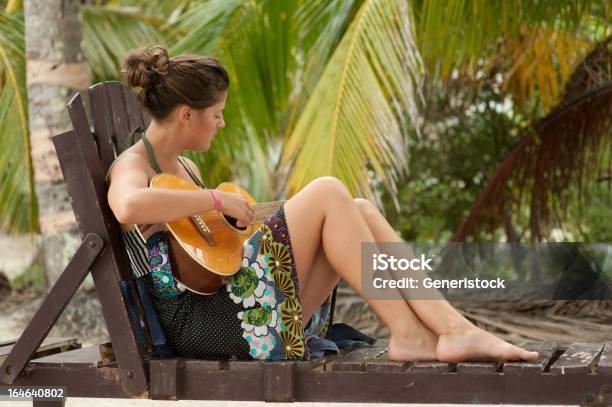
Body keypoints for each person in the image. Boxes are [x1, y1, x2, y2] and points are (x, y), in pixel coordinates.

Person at [107, 45, 539, 363]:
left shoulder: (183, 166)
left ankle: (448, 328)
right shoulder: (133, 164)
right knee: (329, 190)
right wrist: (217, 197)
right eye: (216, 113)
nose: (221, 122)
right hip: (210, 328)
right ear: (187, 114)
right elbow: (126, 207)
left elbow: (218, 246)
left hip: (241, 309)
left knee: (359, 209)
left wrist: (248, 212)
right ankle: (412, 331)